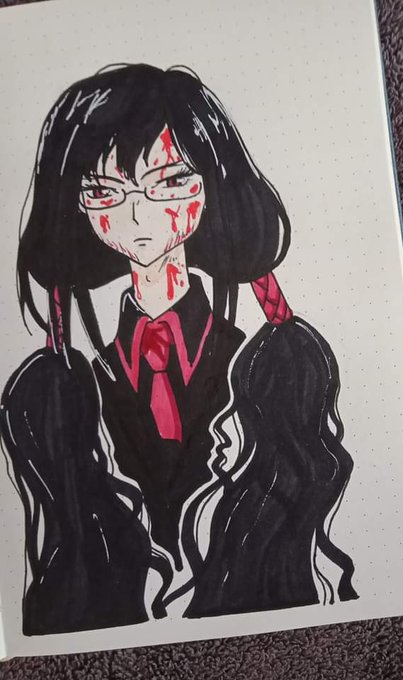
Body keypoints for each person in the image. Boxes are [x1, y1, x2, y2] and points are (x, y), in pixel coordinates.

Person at [0, 63, 357, 634]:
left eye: (168, 184)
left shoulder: (275, 366)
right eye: (103, 191)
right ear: (75, 206)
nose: (136, 214)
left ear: (213, 187)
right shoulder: (57, 390)